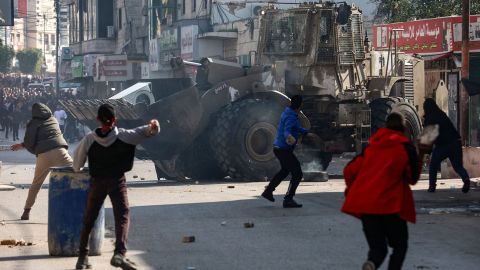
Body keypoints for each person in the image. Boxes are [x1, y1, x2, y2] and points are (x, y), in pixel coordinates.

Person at [73, 104, 159, 270]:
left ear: (97, 119)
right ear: (115, 120)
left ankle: (82, 257)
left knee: (89, 218)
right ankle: (119, 254)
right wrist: (153, 125)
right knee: (122, 216)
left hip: (97, 182)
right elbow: (146, 131)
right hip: (117, 182)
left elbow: (77, 165)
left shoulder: (89, 139)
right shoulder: (125, 136)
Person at [341, 112, 430, 270]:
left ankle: (371, 263)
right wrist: (421, 153)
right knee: (400, 246)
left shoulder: (371, 147)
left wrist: (355, 189)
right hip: (390, 206)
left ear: (385, 127)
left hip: (367, 207)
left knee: (377, 249)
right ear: (403, 128)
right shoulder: (405, 147)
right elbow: (412, 178)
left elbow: (349, 171)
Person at [11, 103, 72, 220]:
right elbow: (52, 135)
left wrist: (27, 147)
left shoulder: (33, 123)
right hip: (60, 152)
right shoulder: (53, 119)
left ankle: (26, 212)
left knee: (36, 184)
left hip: (44, 155)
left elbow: (30, 142)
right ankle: (86, 205)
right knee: (78, 172)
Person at [261, 95, 310, 208]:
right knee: (297, 174)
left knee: (285, 171)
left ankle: (268, 191)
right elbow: (287, 130)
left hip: (278, 148)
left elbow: (295, 127)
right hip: (284, 150)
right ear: (300, 105)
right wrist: (289, 137)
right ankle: (288, 199)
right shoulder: (291, 116)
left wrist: (305, 132)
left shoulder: (288, 112)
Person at [423, 98, 470, 193]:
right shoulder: (442, 114)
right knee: (457, 166)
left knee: (433, 165)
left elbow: (429, 138)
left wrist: (428, 152)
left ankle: (432, 187)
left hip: (443, 145)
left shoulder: (429, 118)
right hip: (456, 142)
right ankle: (466, 179)